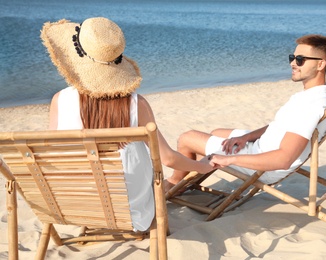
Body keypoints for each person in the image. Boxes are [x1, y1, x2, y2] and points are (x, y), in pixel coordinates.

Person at [41, 17, 213, 232]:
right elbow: (168, 158)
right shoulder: (136, 104)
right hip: (131, 210)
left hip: (74, 204)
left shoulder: (60, 99)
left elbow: (52, 153)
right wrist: (202, 166)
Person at [166, 34, 326, 189]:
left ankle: (173, 184)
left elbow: (284, 159)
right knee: (217, 133)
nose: (292, 63)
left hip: (266, 164)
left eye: (300, 59)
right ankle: (190, 177)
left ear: (320, 64)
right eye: (292, 57)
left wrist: (229, 159)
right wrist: (246, 137)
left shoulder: (310, 107)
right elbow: (280, 126)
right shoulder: (315, 96)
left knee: (187, 139)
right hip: (262, 146)